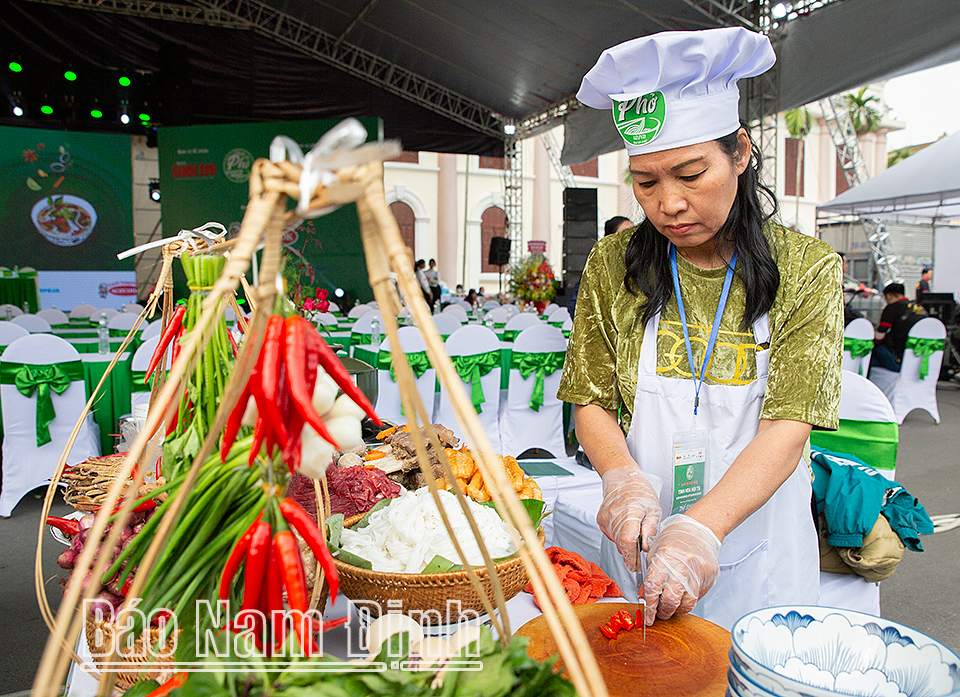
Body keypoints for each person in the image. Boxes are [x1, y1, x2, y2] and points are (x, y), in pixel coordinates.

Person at [558, 27, 843, 631]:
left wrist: (698, 530)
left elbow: (788, 429)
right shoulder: (614, 262)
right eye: (646, 181)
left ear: (740, 152)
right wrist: (623, 480)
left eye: (691, 174)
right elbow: (590, 399)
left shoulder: (807, 269)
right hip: (643, 538)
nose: (669, 204)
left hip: (760, 542)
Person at [567, 216, 634, 315]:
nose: (631, 236)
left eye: (633, 232)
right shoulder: (599, 264)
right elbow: (575, 303)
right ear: (611, 238)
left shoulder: (638, 263)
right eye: (626, 232)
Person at [870, 282, 927, 373]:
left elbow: (879, 337)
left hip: (898, 359)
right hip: (919, 360)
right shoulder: (920, 309)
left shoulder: (892, 308)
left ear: (889, 296)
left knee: (868, 353)